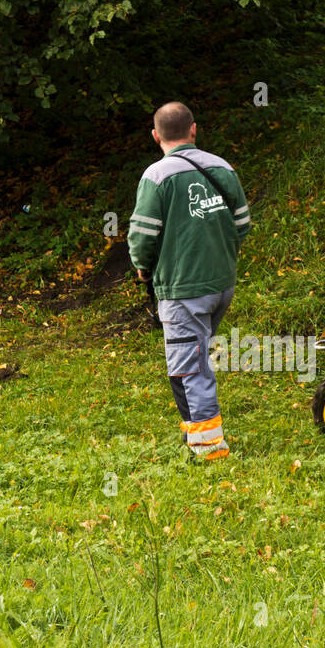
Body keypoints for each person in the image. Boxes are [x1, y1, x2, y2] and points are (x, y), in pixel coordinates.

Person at [128, 102, 250, 461]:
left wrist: (142, 268)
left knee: (189, 365)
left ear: (155, 136)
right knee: (192, 357)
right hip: (221, 285)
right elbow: (241, 224)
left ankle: (209, 447)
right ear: (193, 129)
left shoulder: (156, 176)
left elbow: (142, 235)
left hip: (184, 290)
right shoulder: (222, 167)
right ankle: (192, 433)